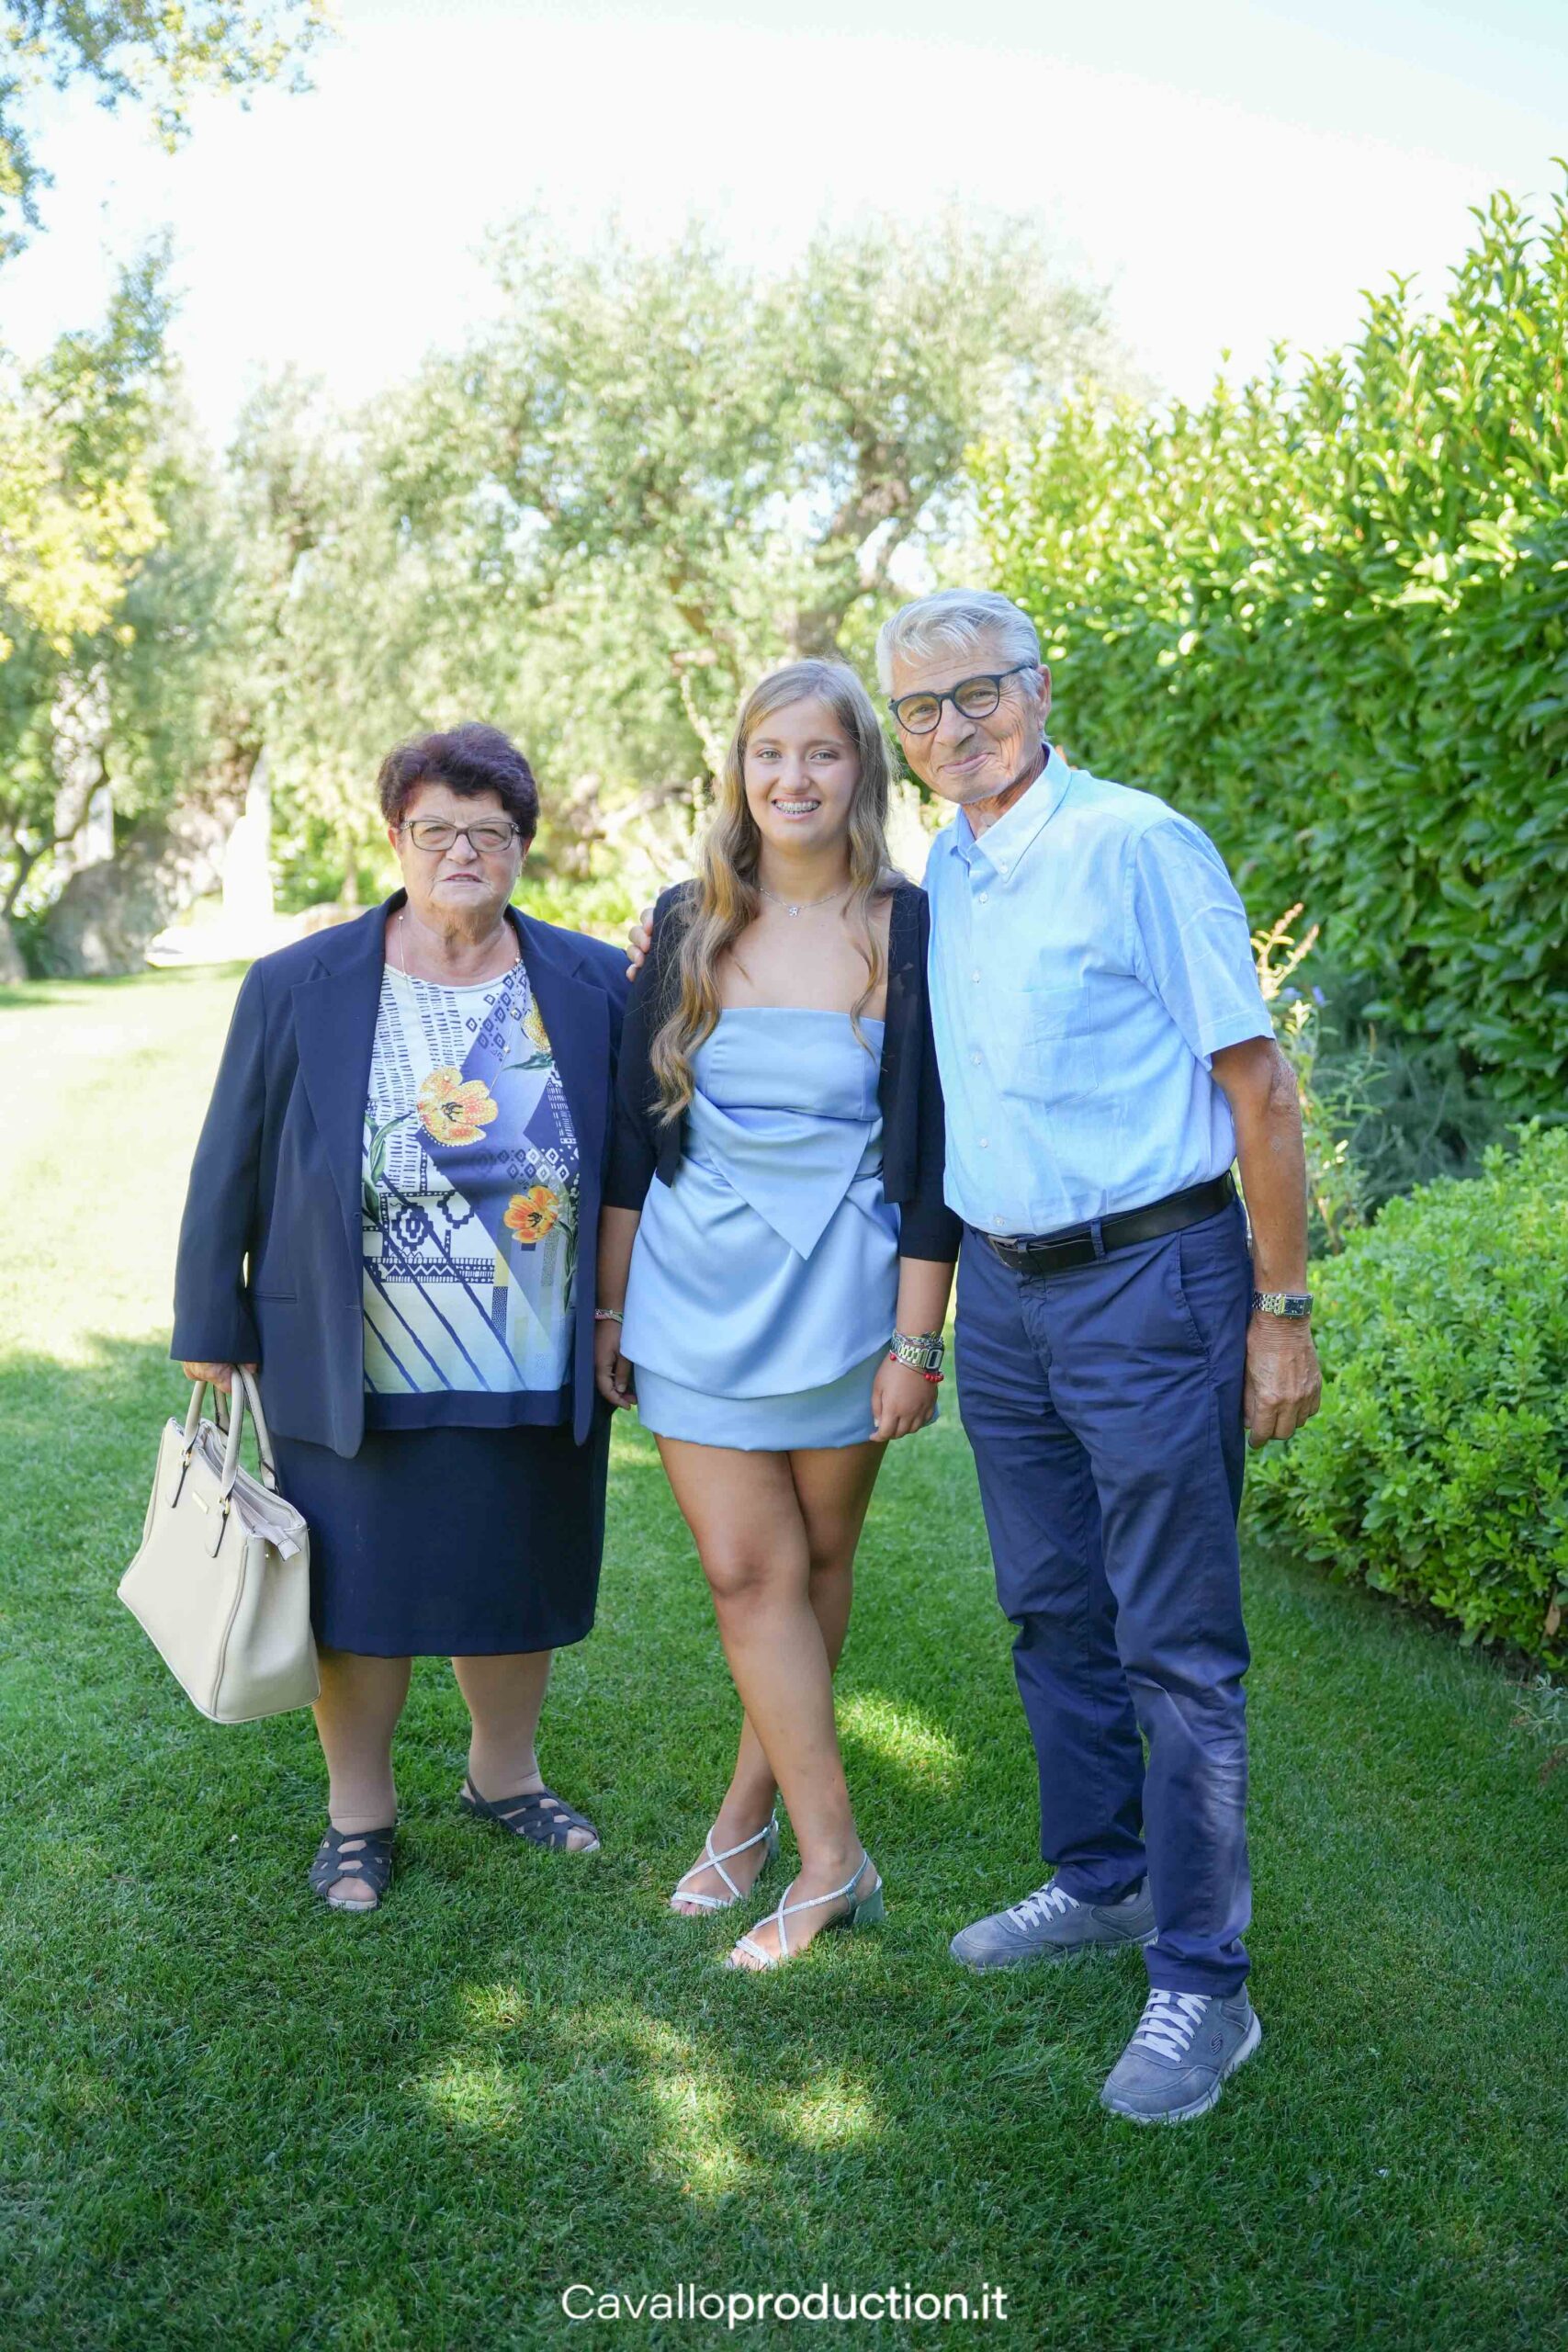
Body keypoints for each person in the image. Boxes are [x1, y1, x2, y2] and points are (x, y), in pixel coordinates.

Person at [625, 595, 1320, 2113]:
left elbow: (1257, 1085)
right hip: (1006, 1294)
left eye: (980, 694)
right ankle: (1102, 1879)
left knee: (1176, 1644)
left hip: (1152, 1280)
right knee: (1052, 1610)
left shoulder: (1134, 845)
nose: (957, 728)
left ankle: (1203, 1984)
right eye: (925, 708)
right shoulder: (956, 878)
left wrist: (1281, 1311)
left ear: (1039, 689)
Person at [172, 723, 629, 1912]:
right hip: (349, 1347)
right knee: (355, 1593)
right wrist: (208, 1317)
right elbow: (229, 1156)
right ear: (395, 839)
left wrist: (615, 1314)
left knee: (511, 1569)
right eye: (437, 829)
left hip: (530, 1339)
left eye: (489, 831)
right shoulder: (298, 982)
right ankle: (357, 1815)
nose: (462, 852)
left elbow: (630, 1159)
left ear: (522, 846)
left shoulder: (591, 983)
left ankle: (504, 1776)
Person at [598, 659, 959, 1971]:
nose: (792, 778)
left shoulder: (911, 929)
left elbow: (934, 1152)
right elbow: (632, 1138)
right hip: (694, 1286)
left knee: (813, 1566)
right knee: (744, 1573)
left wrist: (917, 1341)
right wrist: (609, 1309)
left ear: (862, 768)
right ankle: (833, 1858)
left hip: (847, 1297)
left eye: (822, 752)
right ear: (737, 771)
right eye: (769, 753)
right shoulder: (684, 920)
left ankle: (751, 1821)